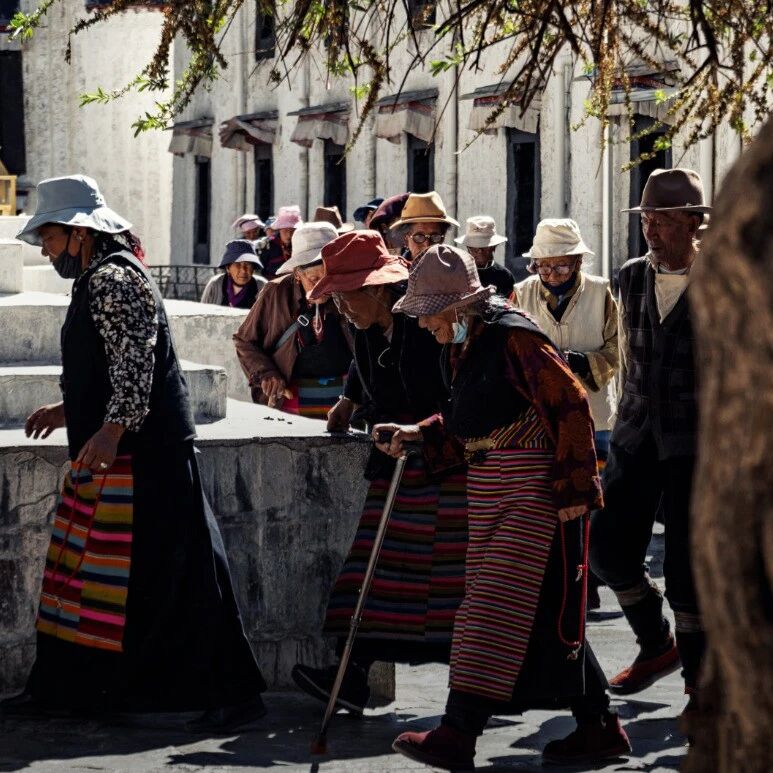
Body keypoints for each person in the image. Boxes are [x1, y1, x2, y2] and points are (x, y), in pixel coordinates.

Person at [1, 175, 266, 730]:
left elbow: (135, 363)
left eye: (49, 238)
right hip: (119, 448)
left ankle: (234, 693)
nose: (46, 251)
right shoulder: (100, 277)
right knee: (91, 577)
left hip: (147, 456)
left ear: (79, 233)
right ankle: (67, 689)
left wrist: (110, 430)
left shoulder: (115, 278)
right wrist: (70, 409)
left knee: (186, 575)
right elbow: (111, 364)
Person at [379, 245, 630, 769]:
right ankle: (599, 726)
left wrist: (575, 491)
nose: (423, 324)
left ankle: (458, 732)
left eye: (429, 313)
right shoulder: (466, 343)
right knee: (540, 611)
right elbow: (476, 424)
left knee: (489, 607)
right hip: (494, 491)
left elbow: (571, 402)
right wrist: (417, 435)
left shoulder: (515, 338)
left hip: (531, 493)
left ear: (460, 305)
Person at [290, 231, 468, 714]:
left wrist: (420, 432)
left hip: (444, 464)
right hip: (394, 461)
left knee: (449, 585)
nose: (339, 308)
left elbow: (460, 395)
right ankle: (349, 677)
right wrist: (348, 401)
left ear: (377, 289)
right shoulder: (366, 326)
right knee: (368, 574)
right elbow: (362, 365)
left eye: (345, 296)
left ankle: (472, 694)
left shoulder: (428, 321)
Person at [589, 169, 709, 712]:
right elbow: (627, 352)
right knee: (606, 548)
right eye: (646, 221)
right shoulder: (631, 276)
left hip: (698, 442)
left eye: (662, 221)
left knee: (688, 570)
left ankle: (701, 687)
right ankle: (657, 643)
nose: (651, 230)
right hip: (636, 433)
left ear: (693, 222)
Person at [515, 219, 619, 611]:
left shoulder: (601, 292)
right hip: (540, 420)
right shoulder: (521, 294)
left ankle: (587, 584)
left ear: (577, 262)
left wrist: (581, 363)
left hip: (594, 418)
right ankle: (554, 587)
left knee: (588, 504)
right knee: (550, 501)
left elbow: (617, 350)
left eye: (561, 266)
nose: (552, 274)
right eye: (544, 266)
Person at [233, 221, 352, 418]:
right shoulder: (276, 292)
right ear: (297, 274)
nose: (322, 286)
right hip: (291, 399)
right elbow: (244, 341)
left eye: (328, 278)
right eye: (314, 279)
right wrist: (267, 373)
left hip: (344, 401)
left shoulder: (350, 290)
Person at [455, 215, 515, 297]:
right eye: (474, 248)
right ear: (467, 247)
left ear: (494, 247)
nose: (479, 252)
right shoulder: (457, 273)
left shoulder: (505, 276)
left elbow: (509, 303)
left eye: (484, 247)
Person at [391, 191, 459, 262]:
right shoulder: (395, 268)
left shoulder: (454, 267)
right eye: (419, 237)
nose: (427, 245)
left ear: (443, 238)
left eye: (434, 237)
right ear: (406, 239)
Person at [200, 239, 266, 309]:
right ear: (228, 268)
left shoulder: (263, 286)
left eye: (248, 264)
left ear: (253, 268)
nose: (243, 270)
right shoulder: (215, 284)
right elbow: (203, 311)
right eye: (237, 264)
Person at [258, 204, 302, 279]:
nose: (289, 235)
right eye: (285, 231)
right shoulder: (268, 246)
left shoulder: (301, 245)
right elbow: (261, 272)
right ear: (279, 230)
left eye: (292, 231)